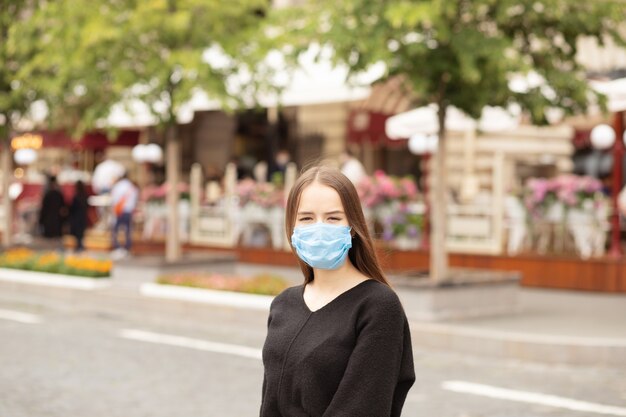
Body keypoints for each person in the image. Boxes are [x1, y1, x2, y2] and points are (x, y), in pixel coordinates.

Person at [260, 166, 415, 417]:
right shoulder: (283, 304)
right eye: (306, 218)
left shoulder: (377, 306)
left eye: (333, 218)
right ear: (292, 226)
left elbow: (364, 407)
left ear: (353, 226)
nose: (319, 228)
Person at [109, 172, 139, 257]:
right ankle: (127, 248)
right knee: (128, 230)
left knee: (116, 230)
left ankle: (118, 247)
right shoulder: (132, 187)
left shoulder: (118, 186)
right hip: (129, 210)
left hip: (120, 210)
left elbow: (114, 199)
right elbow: (134, 199)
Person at [38, 175, 67, 240]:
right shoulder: (59, 195)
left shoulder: (47, 195)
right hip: (57, 223)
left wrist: (41, 221)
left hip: (49, 223)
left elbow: (44, 209)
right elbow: (63, 209)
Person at [68, 180, 89, 252]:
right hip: (82, 216)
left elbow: (72, 207)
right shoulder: (85, 196)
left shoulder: (77, 196)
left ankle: (79, 246)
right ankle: (80, 245)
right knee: (80, 233)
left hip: (77, 217)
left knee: (78, 233)